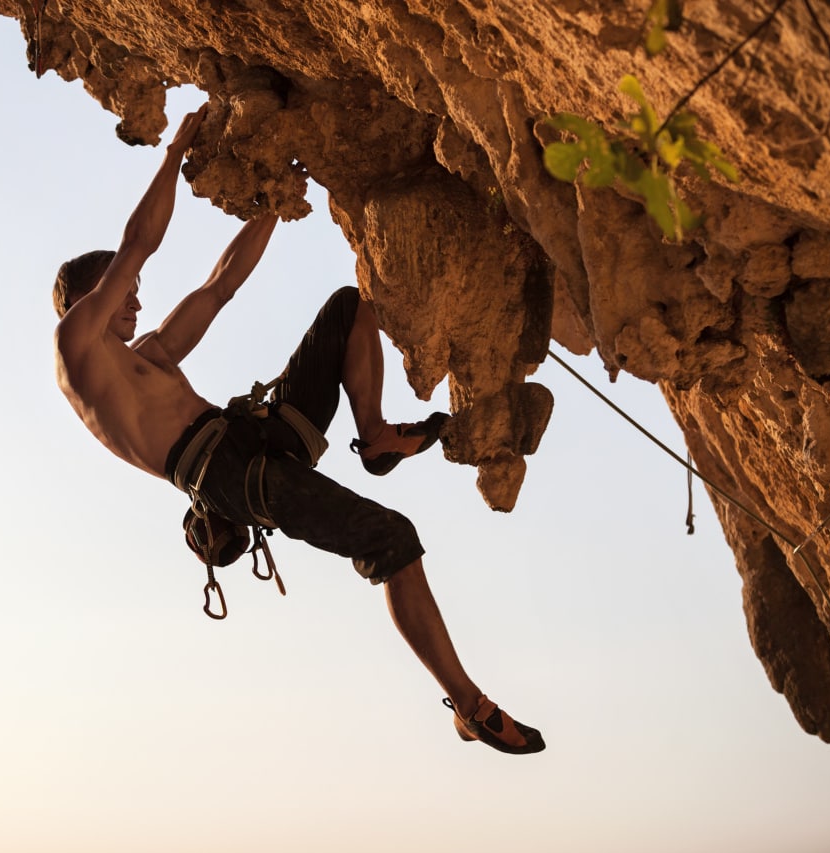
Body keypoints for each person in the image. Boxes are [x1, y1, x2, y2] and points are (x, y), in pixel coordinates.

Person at [52, 105, 545, 755]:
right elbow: (139, 243)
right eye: (125, 290)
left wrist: (280, 203)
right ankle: (470, 704)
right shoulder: (77, 349)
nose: (138, 298)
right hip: (228, 472)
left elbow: (219, 286)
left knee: (351, 305)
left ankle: (374, 437)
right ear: (90, 296)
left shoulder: (149, 356)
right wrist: (172, 155)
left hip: (254, 433)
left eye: (137, 290)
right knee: (391, 538)